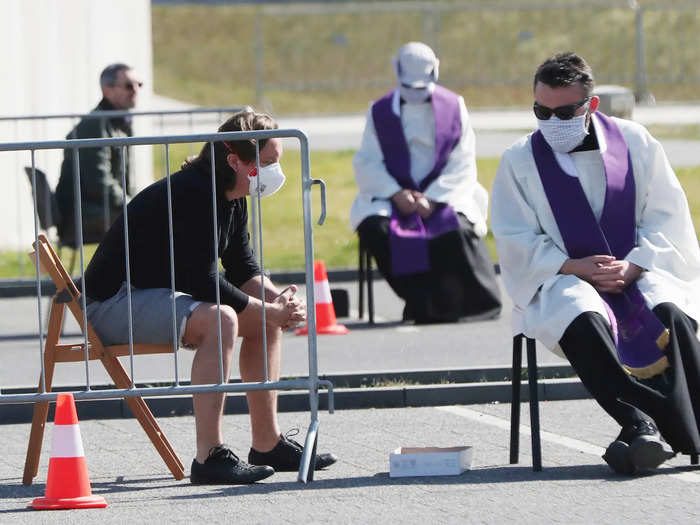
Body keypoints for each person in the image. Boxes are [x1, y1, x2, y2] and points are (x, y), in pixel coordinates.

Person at [83, 110, 338, 484]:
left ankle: (267, 443)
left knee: (264, 321)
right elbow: (201, 279)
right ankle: (209, 457)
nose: (275, 172)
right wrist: (268, 309)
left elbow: (242, 266)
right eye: (268, 162)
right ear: (235, 160)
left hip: (152, 295)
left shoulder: (234, 193)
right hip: (110, 304)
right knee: (224, 318)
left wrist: (279, 303)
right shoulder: (195, 192)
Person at [491, 52, 700, 475]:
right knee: (580, 313)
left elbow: (666, 216)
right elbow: (515, 239)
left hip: (638, 267)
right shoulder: (519, 160)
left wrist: (636, 265)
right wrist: (574, 267)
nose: (551, 122)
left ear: (592, 105)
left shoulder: (636, 143)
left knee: (670, 312)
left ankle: (669, 430)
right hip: (562, 274)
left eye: (565, 112)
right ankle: (639, 423)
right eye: (541, 111)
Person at [351, 42, 502, 324]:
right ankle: (421, 302)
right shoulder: (379, 111)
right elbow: (367, 161)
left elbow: (463, 159)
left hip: (445, 192)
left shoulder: (454, 106)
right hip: (394, 194)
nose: (416, 94)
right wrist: (396, 193)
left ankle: (465, 302)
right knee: (376, 228)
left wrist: (433, 199)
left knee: (456, 229)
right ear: (396, 71)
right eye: (410, 87)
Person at [55, 63, 141, 247]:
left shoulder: (116, 123)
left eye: (138, 84)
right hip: (81, 216)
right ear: (107, 90)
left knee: (148, 214)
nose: (135, 90)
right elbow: (99, 184)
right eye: (128, 86)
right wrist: (135, 204)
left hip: (98, 209)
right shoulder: (95, 125)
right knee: (147, 218)